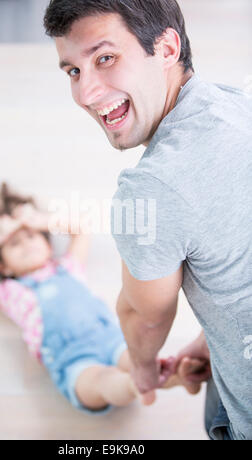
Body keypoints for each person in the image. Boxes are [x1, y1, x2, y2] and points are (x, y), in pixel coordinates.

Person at [44, 0, 252, 439]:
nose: (85, 94)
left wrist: (141, 367)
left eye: (105, 58)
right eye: (73, 71)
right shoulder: (237, 106)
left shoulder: (152, 189)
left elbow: (145, 316)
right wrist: (217, 336)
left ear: (167, 48)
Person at [0, 183, 203, 415]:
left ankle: (178, 376)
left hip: (111, 339)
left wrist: (39, 220)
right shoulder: (10, 293)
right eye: (15, 244)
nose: (26, 244)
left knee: (141, 360)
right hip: (72, 360)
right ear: (3, 267)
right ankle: (132, 385)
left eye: (32, 236)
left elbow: (82, 228)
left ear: (49, 245)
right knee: (100, 381)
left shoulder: (69, 266)